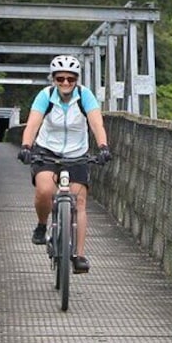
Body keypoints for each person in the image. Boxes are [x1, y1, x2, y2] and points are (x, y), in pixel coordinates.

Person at [17, 55, 111, 274]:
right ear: (54, 79)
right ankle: (42, 225)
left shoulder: (85, 96)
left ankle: (79, 255)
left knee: (79, 202)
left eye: (70, 79)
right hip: (47, 151)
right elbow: (33, 123)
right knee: (44, 191)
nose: (66, 83)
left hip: (77, 154)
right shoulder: (46, 96)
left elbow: (96, 122)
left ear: (76, 79)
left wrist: (103, 146)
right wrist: (26, 146)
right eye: (60, 78)